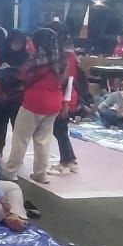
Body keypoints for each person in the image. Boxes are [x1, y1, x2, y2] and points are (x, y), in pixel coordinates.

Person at [1, 28, 65, 185]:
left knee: (21, 138)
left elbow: (23, 77)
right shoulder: (61, 61)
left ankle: (11, 171)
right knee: (43, 140)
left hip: (34, 102)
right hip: (54, 102)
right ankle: (40, 174)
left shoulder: (35, 62)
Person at [0, 29, 29, 159]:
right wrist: (0, 69)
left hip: (18, 97)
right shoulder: (1, 54)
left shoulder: (27, 56)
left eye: (19, 43)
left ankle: (17, 155)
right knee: (0, 126)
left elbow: (30, 75)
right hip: (1, 95)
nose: (16, 45)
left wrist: (17, 72)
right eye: (14, 43)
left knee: (18, 128)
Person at [50, 29, 80, 174]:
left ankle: (66, 162)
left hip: (64, 100)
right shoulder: (67, 56)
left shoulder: (67, 57)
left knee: (59, 130)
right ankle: (70, 160)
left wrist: (66, 104)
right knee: (61, 131)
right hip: (65, 98)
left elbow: (69, 81)